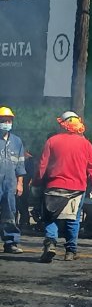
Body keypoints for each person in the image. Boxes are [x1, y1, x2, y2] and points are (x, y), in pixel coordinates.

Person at [35, 111, 92, 262]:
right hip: (77, 189)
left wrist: (37, 182)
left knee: (50, 217)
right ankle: (70, 251)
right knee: (73, 219)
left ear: (62, 124)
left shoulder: (52, 141)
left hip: (53, 187)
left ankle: (50, 243)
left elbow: (42, 165)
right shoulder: (86, 144)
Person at [0, 106, 26, 254]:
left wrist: (20, 183)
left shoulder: (17, 142)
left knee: (10, 213)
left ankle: (11, 242)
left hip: (10, 184)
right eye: (3, 120)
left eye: (9, 120)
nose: (6, 123)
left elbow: (20, 164)